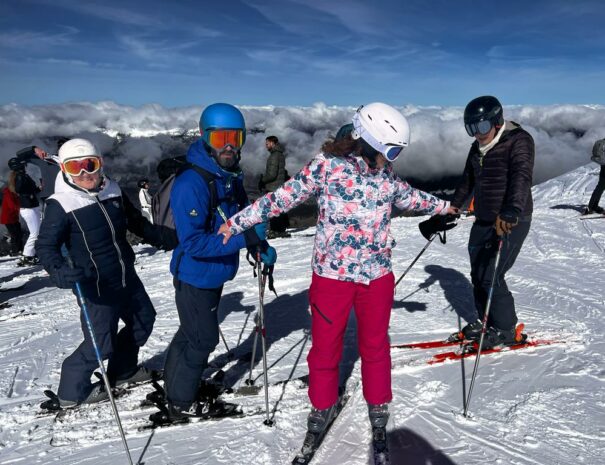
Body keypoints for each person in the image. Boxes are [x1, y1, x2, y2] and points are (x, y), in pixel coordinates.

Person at [219, 102, 454, 434]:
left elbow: (409, 196)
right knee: (326, 348)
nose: (392, 158)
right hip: (332, 278)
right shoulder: (327, 166)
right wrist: (237, 223)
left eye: (396, 152)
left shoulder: (384, 172)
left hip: (377, 276)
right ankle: (322, 404)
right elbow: (280, 199)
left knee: (375, 344)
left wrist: (444, 206)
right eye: (390, 150)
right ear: (368, 140)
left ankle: (379, 399)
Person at [150, 103, 276, 424]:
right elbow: (192, 243)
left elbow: (242, 216)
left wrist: (257, 242)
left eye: (235, 137)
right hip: (195, 275)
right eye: (221, 138)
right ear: (206, 138)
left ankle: (176, 385)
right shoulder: (192, 183)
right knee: (202, 339)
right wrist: (245, 239)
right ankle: (181, 401)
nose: (230, 146)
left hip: (213, 272)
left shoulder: (229, 175)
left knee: (191, 333)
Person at [36, 138, 161, 409]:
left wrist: (168, 238)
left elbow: (137, 223)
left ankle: (123, 371)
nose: (85, 174)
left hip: (126, 278)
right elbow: (46, 246)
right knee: (99, 345)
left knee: (144, 322)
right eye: (76, 168)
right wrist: (59, 271)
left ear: (100, 164)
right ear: (65, 170)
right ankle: (71, 392)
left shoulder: (112, 190)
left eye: (90, 165)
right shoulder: (62, 204)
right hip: (95, 287)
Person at [448, 95, 534, 348]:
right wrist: (451, 208)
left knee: (492, 275)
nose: (477, 134)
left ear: (496, 122)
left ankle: (507, 329)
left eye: (482, 127)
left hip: (511, 219)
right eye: (471, 129)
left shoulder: (518, 141)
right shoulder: (477, 148)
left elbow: (522, 176)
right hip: (484, 219)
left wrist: (512, 209)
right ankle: (485, 320)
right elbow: (467, 181)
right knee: (478, 273)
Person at [8, 157, 41, 266]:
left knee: (37, 232)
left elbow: (29, 189)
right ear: (20, 165)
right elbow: (19, 189)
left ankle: (32, 254)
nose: (25, 165)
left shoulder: (22, 176)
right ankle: (27, 255)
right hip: (28, 208)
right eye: (24, 164)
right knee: (35, 233)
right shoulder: (19, 177)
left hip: (31, 206)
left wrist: (38, 189)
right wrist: (29, 194)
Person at [259, 135, 290, 238]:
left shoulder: (274, 156)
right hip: (279, 185)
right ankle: (280, 229)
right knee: (278, 208)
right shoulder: (280, 155)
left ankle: (275, 230)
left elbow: (272, 174)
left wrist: (262, 180)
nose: (266, 145)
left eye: (267, 143)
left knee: (273, 209)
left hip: (273, 186)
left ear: (272, 143)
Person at [16, 144, 61, 209]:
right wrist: (34, 149)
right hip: (48, 196)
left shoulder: (73, 162)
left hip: (67, 196)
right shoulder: (47, 159)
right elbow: (19, 155)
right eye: (60, 146)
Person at [1, 171, 23, 256]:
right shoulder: (8, 193)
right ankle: (15, 251)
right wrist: (22, 207)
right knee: (14, 234)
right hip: (8, 218)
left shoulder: (13, 192)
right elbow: (11, 205)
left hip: (13, 217)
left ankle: (20, 250)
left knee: (18, 233)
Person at [585, 138, 605, 215]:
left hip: (603, 166)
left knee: (600, 187)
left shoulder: (602, 142)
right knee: (600, 187)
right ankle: (591, 207)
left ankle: (593, 206)